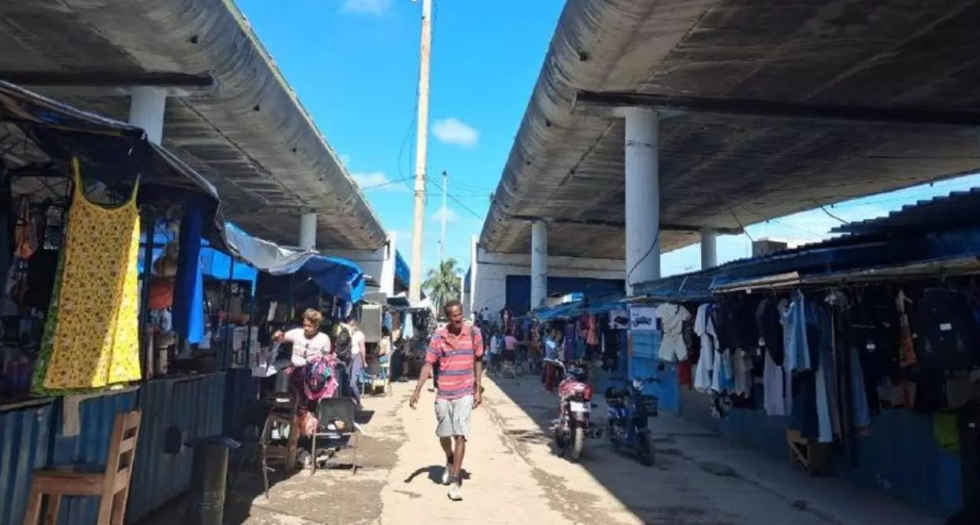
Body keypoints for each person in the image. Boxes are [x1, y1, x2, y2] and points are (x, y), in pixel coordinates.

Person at [410, 300, 483, 502]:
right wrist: (418, 389)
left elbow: (478, 360)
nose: (457, 318)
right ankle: (450, 458)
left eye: (459, 314)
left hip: (465, 391)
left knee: (460, 434)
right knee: (444, 434)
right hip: (443, 393)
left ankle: (454, 480)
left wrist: (478, 389)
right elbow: (428, 364)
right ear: (448, 317)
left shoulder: (474, 333)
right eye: (453, 316)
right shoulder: (438, 337)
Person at [348, 317, 366, 408]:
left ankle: (358, 402)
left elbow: (362, 348)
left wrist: (363, 360)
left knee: (352, 382)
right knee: (346, 382)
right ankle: (352, 402)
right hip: (347, 358)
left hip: (356, 357)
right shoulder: (347, 333)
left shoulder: (359, 334)